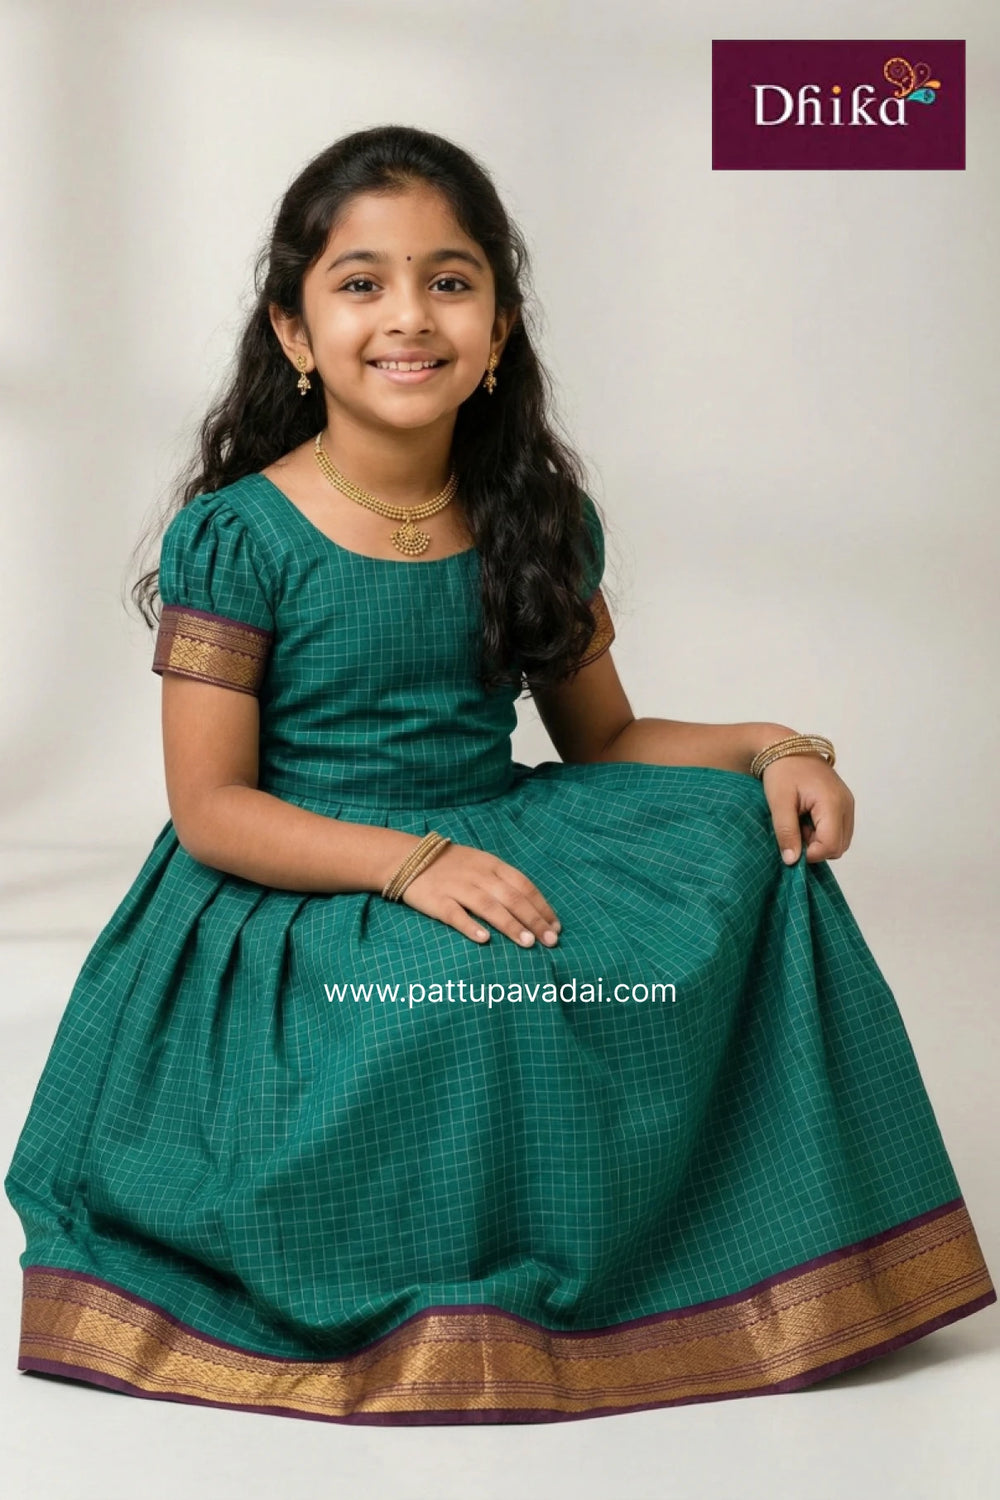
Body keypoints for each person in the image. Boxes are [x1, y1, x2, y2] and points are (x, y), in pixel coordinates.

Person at [4, 124, 994, 1428]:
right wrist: (409, 864)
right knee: (466, 976)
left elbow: (608, 744)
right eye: (360, 283)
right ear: (295, 334)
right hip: (302, 871)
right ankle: (431, 1288)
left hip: (493, 820)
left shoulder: (535, 514)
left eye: (449, 281)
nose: (407, 316)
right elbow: (212, 809)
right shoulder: (237, 538)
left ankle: (725, 1242)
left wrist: (780, 751)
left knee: (753, 849)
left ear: (501, 327)